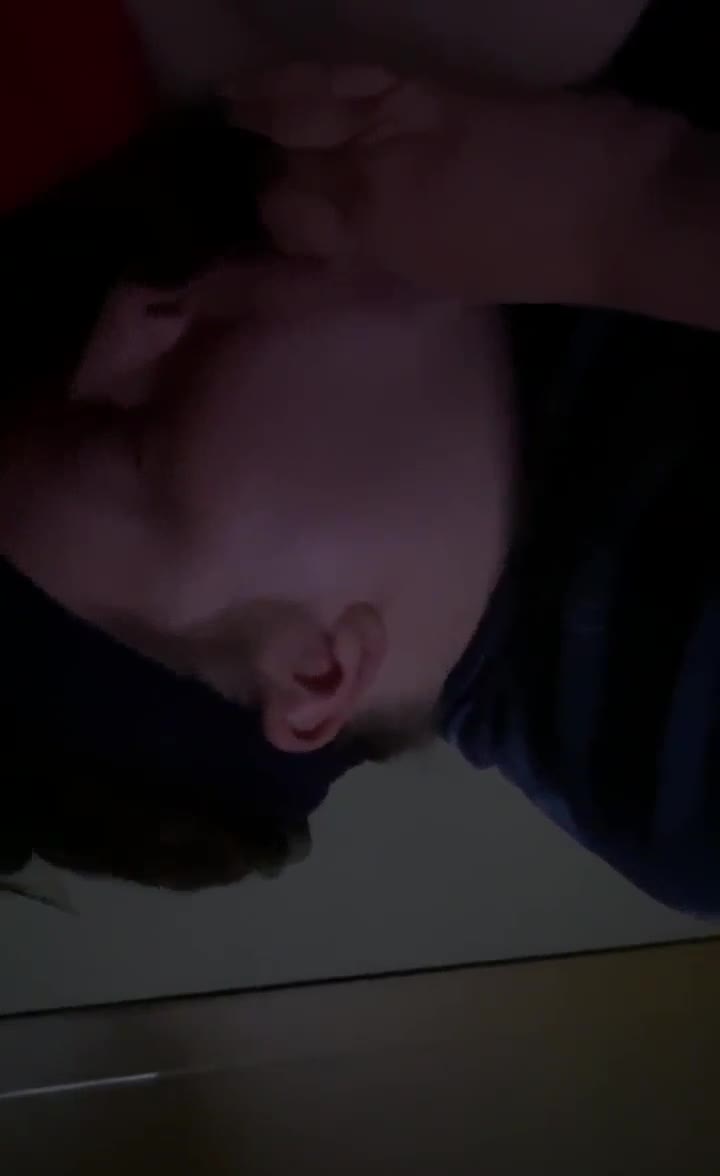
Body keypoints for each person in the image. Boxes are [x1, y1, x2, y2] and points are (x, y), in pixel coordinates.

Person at [1, 0, 718, 908]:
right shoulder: (677, 777)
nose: (128, 317)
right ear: (321, 670)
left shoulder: (342, 135)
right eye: (134, 434)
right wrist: (629, 215)